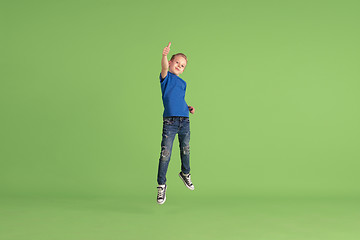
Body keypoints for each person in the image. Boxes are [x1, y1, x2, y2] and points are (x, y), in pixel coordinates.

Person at [156, 42, 195, 205]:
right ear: (170, 63)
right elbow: (164, 67)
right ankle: (161, 185)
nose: (180, 66)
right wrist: (164, 55)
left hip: (184, 120)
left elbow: (178, 99)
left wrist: (188, 107)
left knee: (185, 149)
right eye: (177, 63)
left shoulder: (183, 83)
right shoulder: (166, 78)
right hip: (170, 121)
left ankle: (185, 173)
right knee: (166, 154)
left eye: (183, 65)